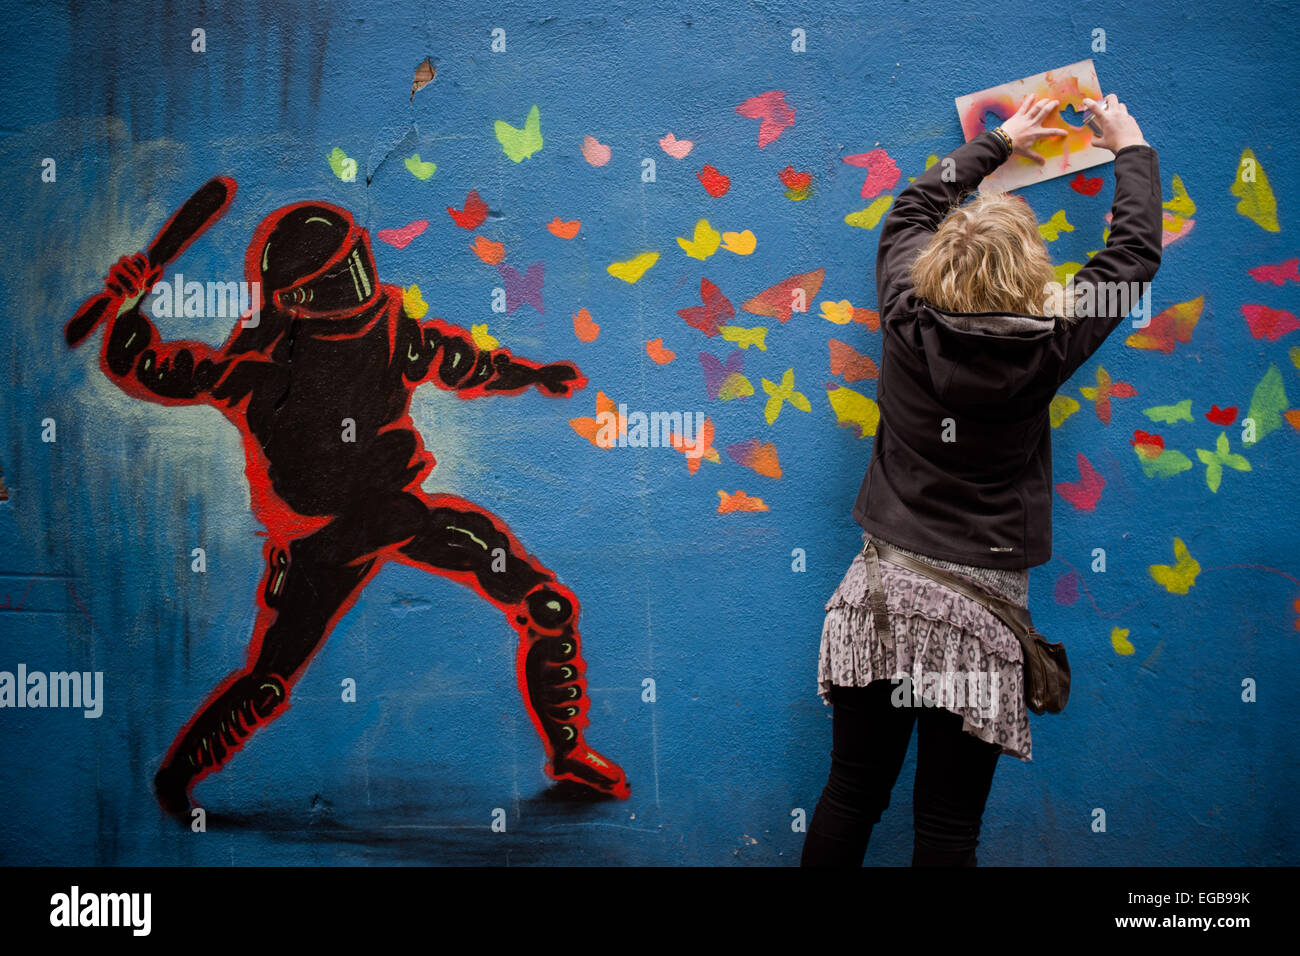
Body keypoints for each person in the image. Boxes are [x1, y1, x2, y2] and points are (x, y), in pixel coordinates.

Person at [74, 197, 630, 813]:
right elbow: (149, 368)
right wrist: (128, 305)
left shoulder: (391, 327)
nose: (360, 288)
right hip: (325, 541)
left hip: (394, 509)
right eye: (341, 279)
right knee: (267, 683)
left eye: (358, 267)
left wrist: (528, 374)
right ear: (300, 299)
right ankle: (175, 779)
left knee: (544, 603)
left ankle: (569, 751)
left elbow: (459, 362)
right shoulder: (258, 365)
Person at [801, 94, 1161, 866]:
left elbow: (910, 208)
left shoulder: (905, 314)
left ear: (935, 261)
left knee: (852, 797)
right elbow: (1130, 257)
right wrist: (1129, 145)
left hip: (883, 603)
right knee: (947, 829)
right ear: (1032, 275)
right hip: (983, 624)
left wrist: (998, 142)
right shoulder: (1050, 346)